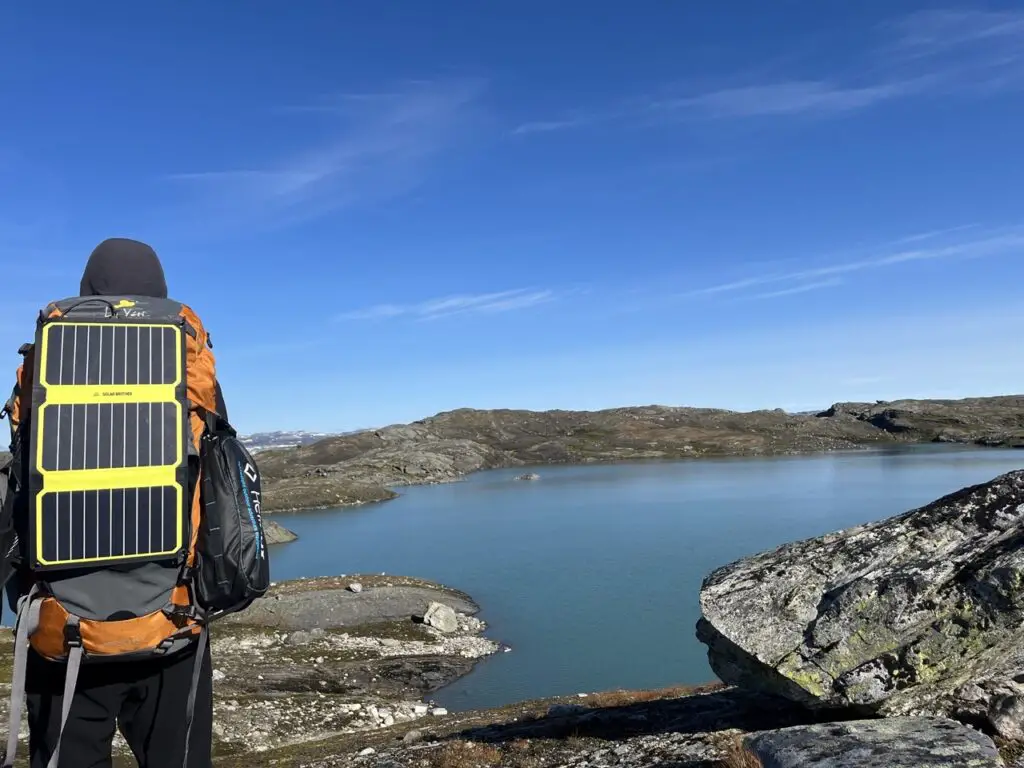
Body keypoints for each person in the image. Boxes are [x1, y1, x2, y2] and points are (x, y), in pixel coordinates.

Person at [5, 238, 226, 768]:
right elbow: (219, 480)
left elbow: (19, 483)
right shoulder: (186, 358)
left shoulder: (46, 361)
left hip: (65, 632)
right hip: (173, 621)